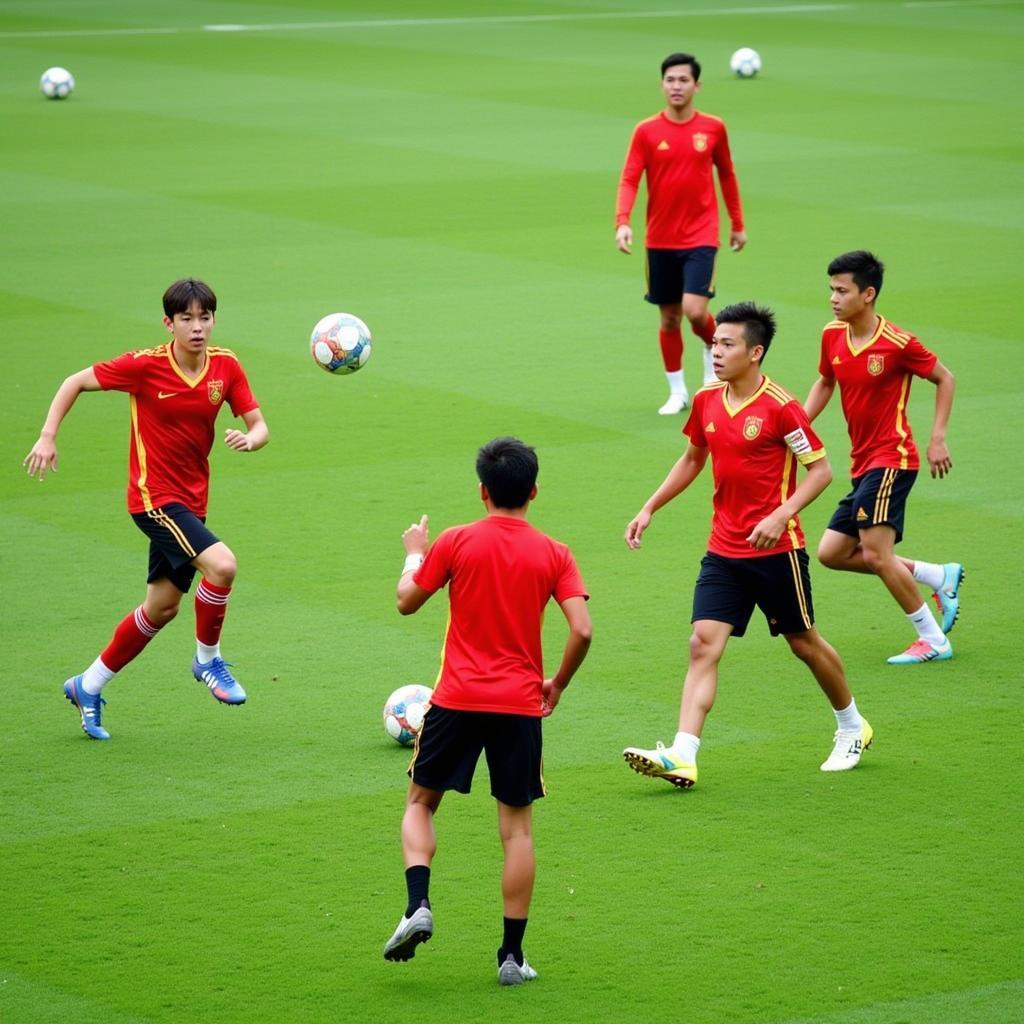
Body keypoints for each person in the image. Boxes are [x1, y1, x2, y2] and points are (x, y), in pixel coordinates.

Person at [622, 302, 871, 789]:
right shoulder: (708, 399)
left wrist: (781, 516)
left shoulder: (781, 406)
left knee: (805, 644)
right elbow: (693, 458)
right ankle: (684, 754)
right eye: (714, 342)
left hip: (777, 552)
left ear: (755, 352)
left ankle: (851, 726)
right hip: (724, 552)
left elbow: (820, 471)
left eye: (727, 344)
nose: (715, 352)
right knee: (702, 644)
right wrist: (650, 507)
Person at [383, 437, 592, 986]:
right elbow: (583, 629)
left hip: (454, 699)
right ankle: (510, 957)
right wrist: (558, 685)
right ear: (534, 491)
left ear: (482, 491)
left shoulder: (455, 541)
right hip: (519, 706)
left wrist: (413, 552)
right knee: (517, 832)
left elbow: (406, 600)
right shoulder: (555, 552)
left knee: (420, 803)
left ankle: (418, 904)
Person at [23, 278, 269, 740]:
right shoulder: (144, 366)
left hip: (191, 504)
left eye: (205, 317)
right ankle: (208, 662)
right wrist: (48, 434)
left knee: (161, 608)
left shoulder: (226, 367)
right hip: (153, 500)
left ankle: (87, 685)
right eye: (186, 319)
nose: (197, 328)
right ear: (169, 323)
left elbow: (259, 426)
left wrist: (250, 440)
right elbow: (75, 381)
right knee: (223, 566)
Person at [804, 251, 961, 665]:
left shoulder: (897, 344)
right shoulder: (832, 335)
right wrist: (799, 427)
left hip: (892, 458)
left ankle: (933, 639)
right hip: (863, 464)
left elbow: (945, 378)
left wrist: (937, 438)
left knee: (875, 554)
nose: (833, 298)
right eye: (831, 290)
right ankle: (936, 575)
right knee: (832, 553)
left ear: (868, 294)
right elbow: (825, 381)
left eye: (842, 290)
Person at [616, 51, 746, 416]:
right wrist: (622, 221)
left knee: (694, 310)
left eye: (683, 80)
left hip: (701, 236)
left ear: (696, 85)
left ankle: (714, 352)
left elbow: (727, 175)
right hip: (659, 239)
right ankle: (678, 392)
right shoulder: (646, 131)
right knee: (669, 317)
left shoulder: (713, 128)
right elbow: (630, 178)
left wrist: (737, 223)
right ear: (662, 85)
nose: (676, 86)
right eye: (670, 80)